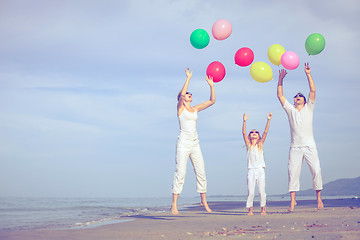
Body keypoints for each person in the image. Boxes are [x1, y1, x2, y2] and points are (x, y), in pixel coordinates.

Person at [277, 63, 324, 212]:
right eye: (295, 97)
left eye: (299, 97)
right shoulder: (291, 110)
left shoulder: (309, 108)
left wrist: (308, 74)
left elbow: (313, 90)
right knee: (292, 173)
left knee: (316, 170)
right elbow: (280, 96)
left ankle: (319, 199)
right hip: (295, 147)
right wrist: (280, 79)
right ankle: (292, 202)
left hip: (310, 146)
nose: (297, 98)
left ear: (304, 100)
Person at [171, 68, 215, 215]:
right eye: (187, 95)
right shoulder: (180, 110)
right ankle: (174, 205)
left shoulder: (195, 109)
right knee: (181, 173)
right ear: (182, 99)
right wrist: (188, 78)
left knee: (201, 171)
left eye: (190, 95)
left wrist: (211, 85)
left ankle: (203, 200)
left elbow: (212, 101)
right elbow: (182, 94)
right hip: (183, 143)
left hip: (195, 143)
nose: (189, 96)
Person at [242, 113, 272, 215]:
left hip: (260, 170)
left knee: (261, 191)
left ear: (258, 136)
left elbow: (266, 132)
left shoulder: (260, 144)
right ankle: (250, 210)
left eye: (256, 132)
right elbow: (243, 133)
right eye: (252, 132)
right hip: (251, 170)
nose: (254, 133)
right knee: (251, 192)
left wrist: (268, 120)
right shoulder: (248, 145)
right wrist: (244, 121)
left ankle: (263, 209)